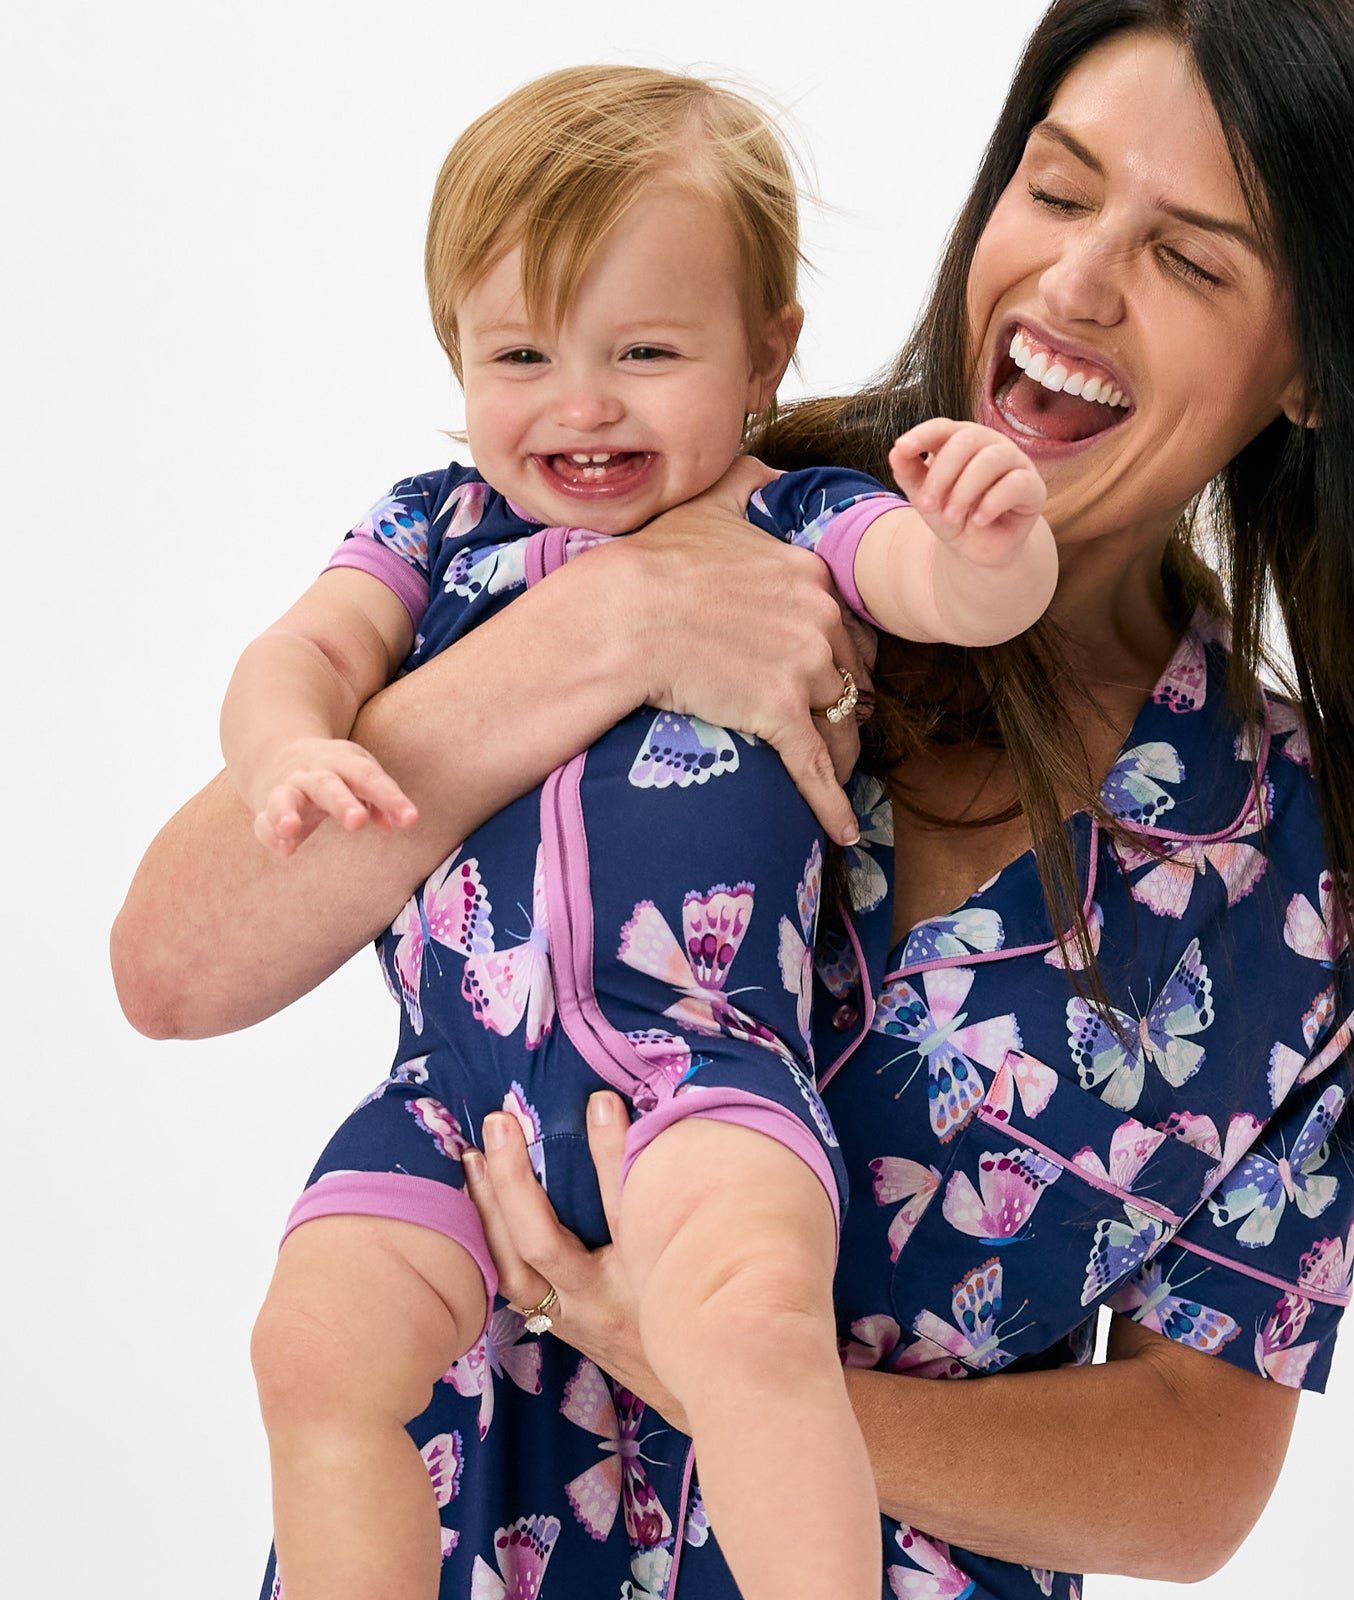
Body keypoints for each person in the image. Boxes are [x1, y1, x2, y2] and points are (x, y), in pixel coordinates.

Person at [112, 3, 1354, 1598]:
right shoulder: (687, 483)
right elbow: (179, 968)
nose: (1078, 283)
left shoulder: (1295, 870)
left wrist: (720, 1373)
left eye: (1193, 259)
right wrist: (610, 623)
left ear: (1312, 370)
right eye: (1058, 185)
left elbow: (1190, 1484)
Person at [216, 65, 1060, 1600]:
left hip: (703, 1070)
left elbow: (941, 594)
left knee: (747, 1331)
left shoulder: (790, 518)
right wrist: (284, 747)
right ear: (456, 357)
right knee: (311, 1348)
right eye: (522, 352)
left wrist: (992, 543)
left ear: (765, 354)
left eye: (647, 351)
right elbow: (302, 657)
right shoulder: (434, 531)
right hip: (451, 1095)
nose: (581, 403)